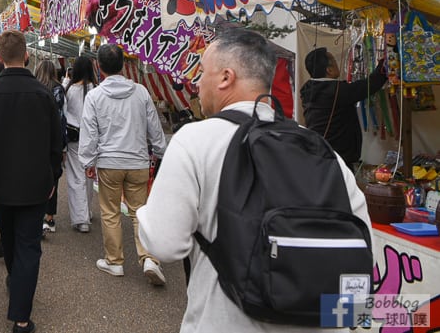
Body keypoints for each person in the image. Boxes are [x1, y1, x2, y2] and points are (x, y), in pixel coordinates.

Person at [136, 28, 371, 332]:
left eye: (202, 72)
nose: (197, 83)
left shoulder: (194, 140)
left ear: (225, 77)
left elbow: (164, 245)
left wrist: (143, 213)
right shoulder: (322, 150)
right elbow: (363, 255)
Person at [0, 30, 62, 333]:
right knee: (28, 245)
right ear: (26, 55)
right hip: (36, 183)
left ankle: (18, 289)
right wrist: (53, 177)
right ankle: (22, 318)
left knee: (11, 242)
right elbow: (56, 143)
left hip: (0, 184)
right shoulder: (44, 94)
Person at [79, 43, 167, 285]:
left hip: (109, 163)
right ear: (123, 65)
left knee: (110, 213)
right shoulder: (140, 92)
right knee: (140, 212)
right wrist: (161, 151)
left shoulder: (95, 96)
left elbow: (90, 132)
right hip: (138, 161)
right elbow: (154, 127)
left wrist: (87, 160)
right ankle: (149, 258)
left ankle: (115, 261)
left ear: (99, 66)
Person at [300, 47, 387, 169]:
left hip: (319, 152)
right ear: (329, 70)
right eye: (335, 62)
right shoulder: (336, 91)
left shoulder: (309, 89)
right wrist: (386, 62)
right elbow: (370, 85)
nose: (337, 65)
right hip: (338, 158)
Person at [63, 55, 97, 233]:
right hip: (91, 138)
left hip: (74, 138)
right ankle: (87, 212)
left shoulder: (67, 88)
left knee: (75, 177)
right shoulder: (95, 89)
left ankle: (81, 218)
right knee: (88, 176)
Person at [34, 59, 65, 235]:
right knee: (53, 177)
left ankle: (37, 216)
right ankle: (50, 217)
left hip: (37, 140)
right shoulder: (58, 89)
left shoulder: (34, 88)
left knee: (38, 177)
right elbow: (61, 116)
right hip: (54, 138)